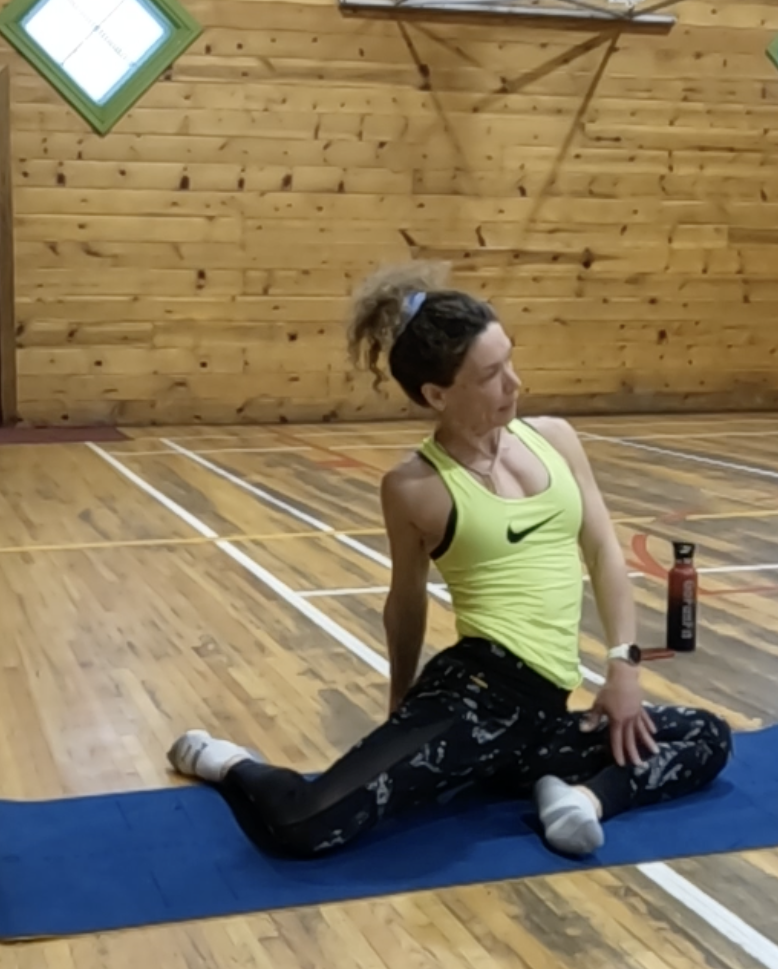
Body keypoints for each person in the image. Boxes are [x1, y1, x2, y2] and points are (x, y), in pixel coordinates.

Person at [167, 264, 732, 859]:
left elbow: (603, 552)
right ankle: (226, 762)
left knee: (706, 735)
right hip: (474, 695)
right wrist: (399, 708)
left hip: (542, 715)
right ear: (438, 395)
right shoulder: (414, 486)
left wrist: (624, 669)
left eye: (510, 360)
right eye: (490, 375)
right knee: (307, 826)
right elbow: (405, 601)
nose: (513, 384)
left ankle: (579, 799)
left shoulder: (556, 438)